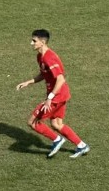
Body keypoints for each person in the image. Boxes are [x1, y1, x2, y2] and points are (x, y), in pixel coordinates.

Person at [15, 29, 90, 159]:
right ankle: (82, 146)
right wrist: (29, 82)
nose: (31, 43)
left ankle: (57, 140)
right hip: (61, 94)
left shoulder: (50, 58)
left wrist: (49, 98)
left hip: (57, 96)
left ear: (43, 42)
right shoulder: (40, 56)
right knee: (57, 124)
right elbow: (44, 74)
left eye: (34, 41)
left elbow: (60, 79)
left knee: (32, 122)